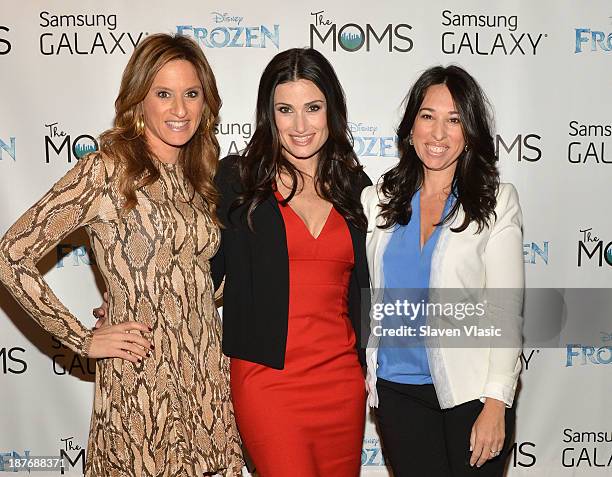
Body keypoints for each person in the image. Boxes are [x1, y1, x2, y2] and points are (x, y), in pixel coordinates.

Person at [0, 34, 243, 476]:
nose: (180, 110)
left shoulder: (203, 176)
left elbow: (201, 278)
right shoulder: (106, 170)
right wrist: (82, 338)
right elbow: (11, 256)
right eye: (163, 94)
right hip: (141, 382)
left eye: (192, 94)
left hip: (208, 378)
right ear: (138, 100)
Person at [212, 48, 371, 476]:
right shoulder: (238, 180)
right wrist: (134, 303)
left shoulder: (356, 187)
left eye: (312, 108)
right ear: (269, 114)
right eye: (285, 110)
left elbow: (366, 290)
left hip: (341, 383)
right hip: (267, 382)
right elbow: (198, 271)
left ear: (331, 111)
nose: (300, 126)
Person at [361, 65, 523, 476]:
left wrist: (496, 403)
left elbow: (505, 312)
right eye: (427, 116)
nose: (438, 133)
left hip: (470, 394)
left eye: (453, 120)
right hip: (398, 393)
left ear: (469, 132)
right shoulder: (379, 199)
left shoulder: (495, 202)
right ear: (410, 124)